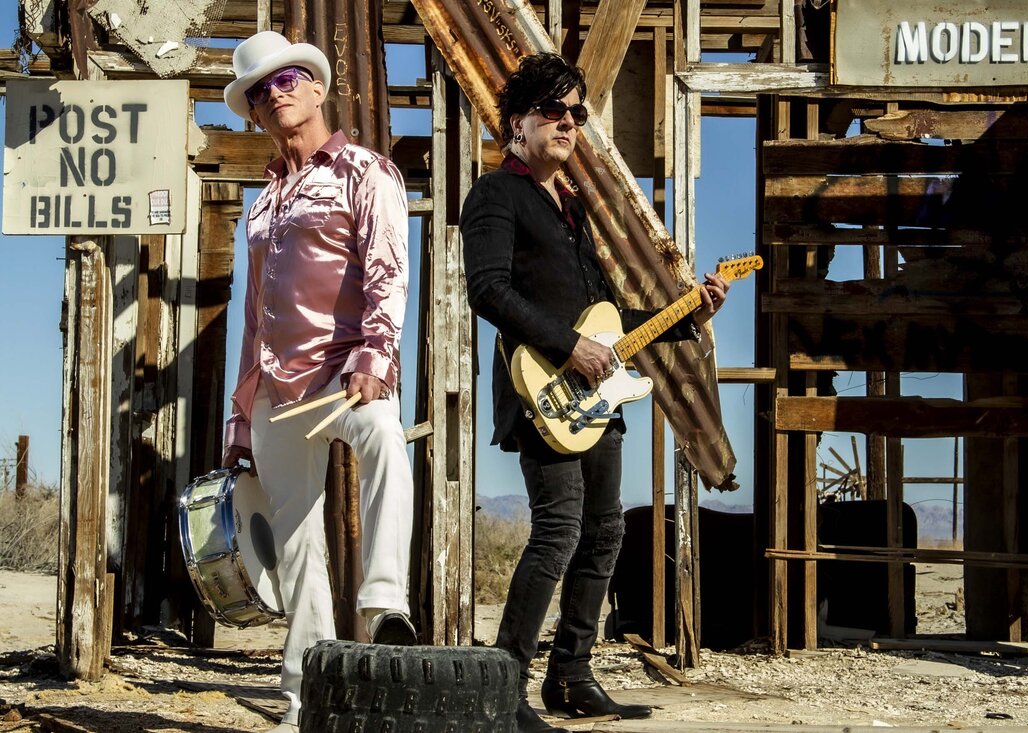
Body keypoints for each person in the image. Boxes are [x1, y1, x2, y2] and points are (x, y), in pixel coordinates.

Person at [460, 53, 730, 733]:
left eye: (577, 113)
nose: (569, 123)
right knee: (558, 528)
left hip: (595, 396)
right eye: (555, 109)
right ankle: (502, 686)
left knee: (604, 531)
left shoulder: (575, 209)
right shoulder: (497, 195)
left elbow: (606, 326)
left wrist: (689, 313)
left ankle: (572, 674)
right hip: (540, 389)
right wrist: (567, 348)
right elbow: (487, 289)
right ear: (517, 120)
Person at [220, 31, 416, 733]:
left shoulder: (367, 172)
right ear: (252, 112)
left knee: (387, 438)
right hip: (274, 391)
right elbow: (253, 314)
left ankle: (386, 598)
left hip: (345, 372)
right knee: (300, 551)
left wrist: (375, 354)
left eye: (286, 79)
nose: (275, 94)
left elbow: (389, 270)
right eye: (258, 92)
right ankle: (302, 702)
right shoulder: (261, 203)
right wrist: (239, 417)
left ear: (316, 86)